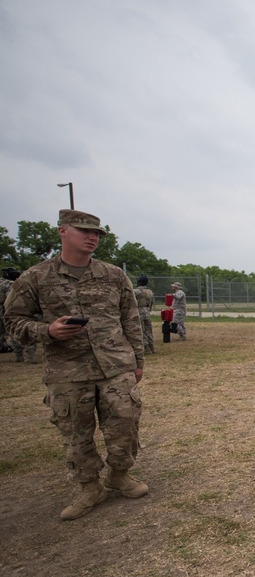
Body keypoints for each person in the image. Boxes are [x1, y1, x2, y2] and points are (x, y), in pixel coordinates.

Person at [3, 209, 147, 521]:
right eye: (83, 231)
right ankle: (89, 487)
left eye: (96, 233)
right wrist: (47, 331)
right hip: (67, 370)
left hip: (115, 366)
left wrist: (137, 361)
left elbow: (130, 319)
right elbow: (13, 321)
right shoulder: (36, 278)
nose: (92, 237)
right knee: (76, 432)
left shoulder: (113, 275)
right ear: (62, 232)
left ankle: (119, 475)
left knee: (125, 424)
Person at [1, 267, 38, 363]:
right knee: (18, 332)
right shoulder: (9, 284)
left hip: (3, 310)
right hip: (10, 311)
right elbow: (13, 300)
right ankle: (28, 356)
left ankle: (18, 355)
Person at [134, 275, 156, 355]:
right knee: (149, 330)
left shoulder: (136, 291)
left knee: (141, 330)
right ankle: (152, 347)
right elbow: (151, 303)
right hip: (147, 311)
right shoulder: (150, 292)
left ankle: (146, 348)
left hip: (139, 311)